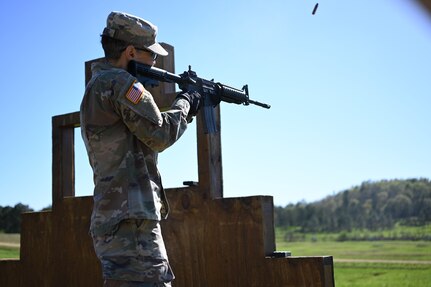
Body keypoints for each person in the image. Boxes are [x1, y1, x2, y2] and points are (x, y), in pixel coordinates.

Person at [80, 11, 201, 287]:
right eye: (152, 54)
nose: (156, 61)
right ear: (131, 52)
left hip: (117, 220)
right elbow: (160, 134)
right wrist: (187, 103)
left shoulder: (97, 86)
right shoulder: (121, 83)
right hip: (132, 222)